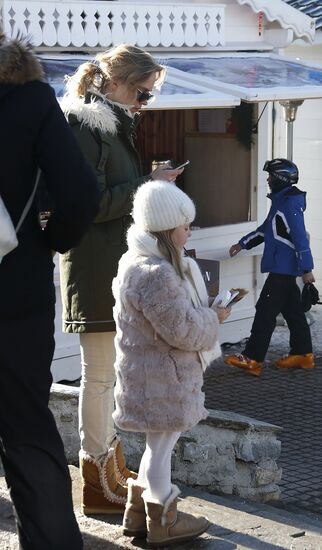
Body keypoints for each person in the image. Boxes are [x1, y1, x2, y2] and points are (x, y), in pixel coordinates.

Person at [59, 43, 184, 515]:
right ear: (114, 83)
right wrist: (148, 185)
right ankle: (97, 479)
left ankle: (108, 471)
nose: (143, 103)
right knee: (99, 376)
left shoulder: (109, 121)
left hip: (112, 264)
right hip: (93, 264)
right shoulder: (85, 124)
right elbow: (88, 205)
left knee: (107, 375)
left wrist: (147, 179)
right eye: (142, 93)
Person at [0, 34, 100, 549]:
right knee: (28, 433)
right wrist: (49, 241)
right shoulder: (28, 96)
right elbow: (81, 191)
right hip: (14, 292)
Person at [112, 180, 231, 547]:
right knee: (162, 447)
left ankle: (138, 513)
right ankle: (163, 518)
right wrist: (215, 318)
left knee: (157, 445)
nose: (189, 231)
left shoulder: (136, 261)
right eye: (185, 226)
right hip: (164, 378)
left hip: (151, 376)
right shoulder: (158, 273)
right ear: (167, 230)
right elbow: (181, 330)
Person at [225, 158, 315, 377]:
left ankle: (253, 359)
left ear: (281, 179)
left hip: (283, 270)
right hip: (281, 268)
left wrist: (307, 270)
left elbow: (300, 238)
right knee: (293, 313)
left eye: (271, 176)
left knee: (265, 312)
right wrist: (243, 243)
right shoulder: (281, 202)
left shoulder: (289, 205)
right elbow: (267, 230)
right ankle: (303, 355)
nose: (268, 179)